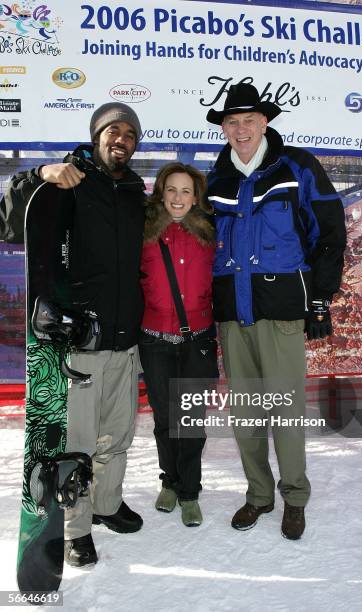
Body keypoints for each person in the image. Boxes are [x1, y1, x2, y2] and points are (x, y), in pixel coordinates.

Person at [0, 102, 146, 566]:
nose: (120, 138)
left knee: (118, 437)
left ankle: (107, 506)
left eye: (129, 133)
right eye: (112, 130)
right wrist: (40, 172)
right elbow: (9, 218)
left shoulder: (134, 193)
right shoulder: (70, 181)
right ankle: (75, 529)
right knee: (78, 445)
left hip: (126, 341)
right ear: (97, 135)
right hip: (82, 343)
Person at [206, 82, 346, 539]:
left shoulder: (298, 167)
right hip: (233, 315)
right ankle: (259, 496)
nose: (240, 129)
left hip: (282, 311)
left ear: (264, 122)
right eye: (232, 121)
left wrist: (320, 300)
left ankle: (295, 497)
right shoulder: (216, 177)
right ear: (223, 128)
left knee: (284, 411)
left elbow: (328, 236)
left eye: (248, 120)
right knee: (246, 414)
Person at [138, 162, 218, 527]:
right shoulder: (143, 232)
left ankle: (189, 491)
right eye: (172, 189)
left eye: (186, 191)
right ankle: (169, 481)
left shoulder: (210, 232)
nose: (178, 198)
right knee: (164, 417)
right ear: (161, 192)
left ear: (196, 196)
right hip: (154, 339)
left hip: (197, 339)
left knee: (191, 421)